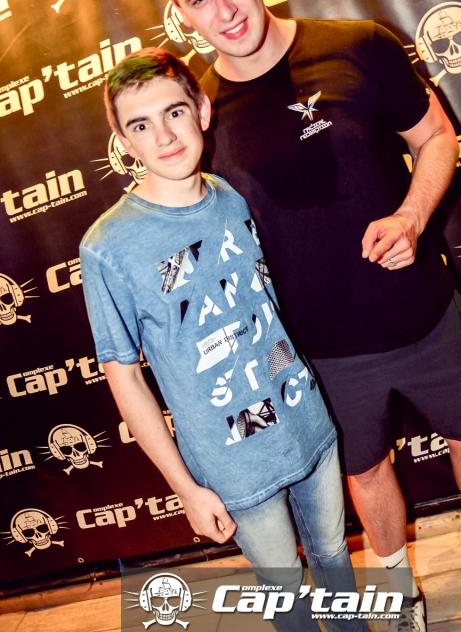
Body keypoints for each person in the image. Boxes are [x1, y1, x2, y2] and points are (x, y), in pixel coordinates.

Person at [156, 0, 461, 631]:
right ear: (180, 10)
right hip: (318, 353)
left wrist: (412, 217)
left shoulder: (359, 44)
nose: (224, 10)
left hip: (422, 312)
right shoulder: (199, 119)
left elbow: (436, 138)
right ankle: (399, 589)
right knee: (365, 471)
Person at [79, 47, 369, 632]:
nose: (164, 136)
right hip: (232, 461)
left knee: (335, 558)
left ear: (202, 111)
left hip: (308, 423)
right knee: (285, 593)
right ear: (124, 141)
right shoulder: (107, 247)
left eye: (174, 112)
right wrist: (185, 487)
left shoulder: (230, 197)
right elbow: (124, 378)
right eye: (141, 125)